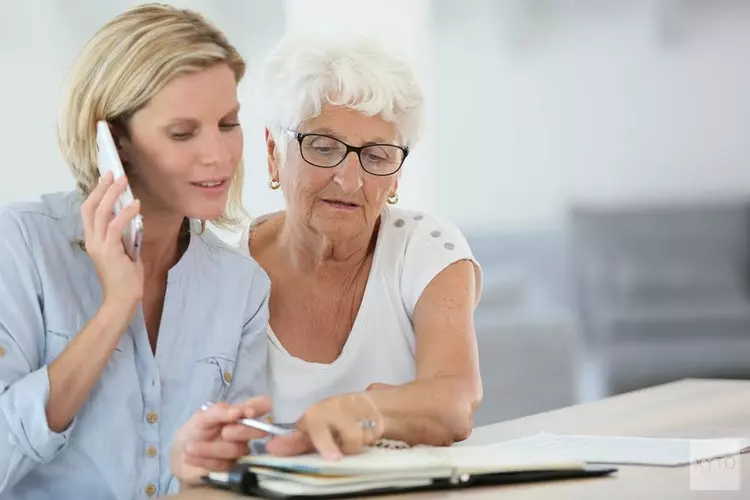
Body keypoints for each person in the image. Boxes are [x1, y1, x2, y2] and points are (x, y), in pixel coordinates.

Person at [173, 32, 484, 479]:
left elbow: (456, 402)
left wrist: (364, 412)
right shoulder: (222, 269)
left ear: (395, 178)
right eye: (323, 147)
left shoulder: (427, 248)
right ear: (272, 153)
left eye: (377, 156)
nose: (350, 180)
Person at [0, 4, 271, 499]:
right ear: (115, 141)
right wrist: (114, 309)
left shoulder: (242, 287)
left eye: (228, 124)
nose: (218, 154)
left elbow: (240, 478)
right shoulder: (20, 245)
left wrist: (204, 468)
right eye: (183, 132)